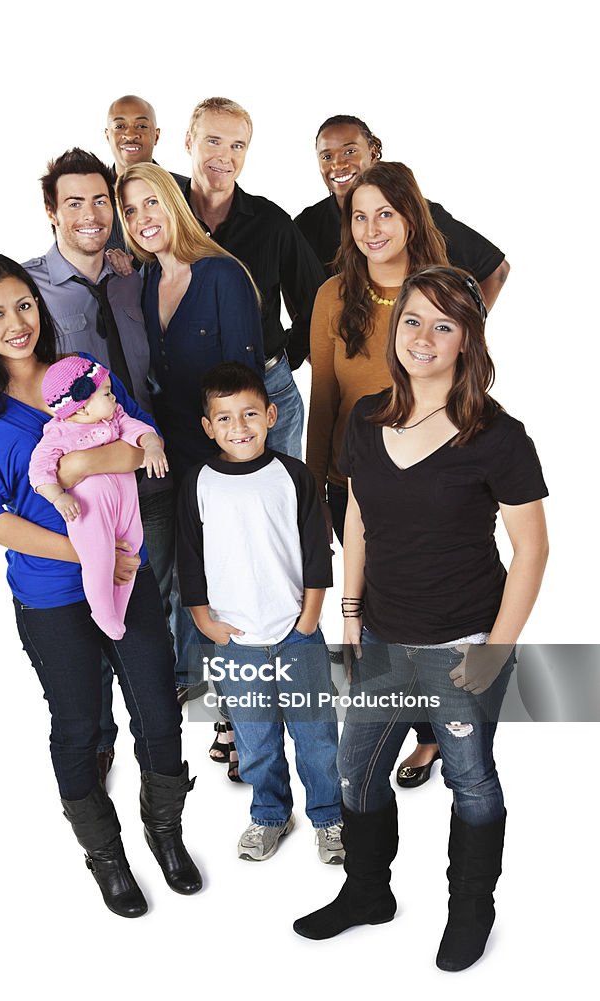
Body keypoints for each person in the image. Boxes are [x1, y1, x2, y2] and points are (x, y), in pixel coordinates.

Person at [293, 267, 549, 972]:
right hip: (380, 636)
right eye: (412, 320)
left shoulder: (497, 436)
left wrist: (497, 651)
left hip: (464, 640)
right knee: (355, 775)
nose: (424, 337)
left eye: (444, 324)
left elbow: (531, 549)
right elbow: (357, 515)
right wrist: (349, 612)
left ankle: (470, 910)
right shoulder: (368, 416)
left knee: (470, 781)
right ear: (394, 328)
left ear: (468, 338)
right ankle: (367, 893)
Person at [0, 255, 202, 918]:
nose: (15, 323)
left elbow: (139, 445)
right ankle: (106, 857)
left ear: (40, 306)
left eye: (23, 305)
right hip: (53, 595)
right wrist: (84, 557)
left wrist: (89, 459)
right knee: (79, 724)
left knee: (160, 710)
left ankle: (164, 830)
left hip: (126, 572)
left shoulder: (83, 376)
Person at [24, 147, 178, 770]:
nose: (90, 215)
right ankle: (97, 731)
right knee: (91, 594)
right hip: (82, 478)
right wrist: (73, 467)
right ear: (50, 212)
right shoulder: (30, 287)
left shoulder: (129, 272)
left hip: (147, 456)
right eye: (73, 203)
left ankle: (157, 730)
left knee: (153, 591)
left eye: (99, 201)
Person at [307, 161, 449, 779]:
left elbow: (465, 390)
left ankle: (435, 729)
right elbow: (324, 395)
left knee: (422, 607)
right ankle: (392, 714)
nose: (371, 228)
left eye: (384, 214)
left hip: (431, 481)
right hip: (351, 482)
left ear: (411, 216)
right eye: (358, 216)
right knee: (374, 604)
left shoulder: (445, 290)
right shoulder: (333, 295)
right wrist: (313, 481)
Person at [177, 362, 343, 863]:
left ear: (272, 415)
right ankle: (271, 813)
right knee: (255, 740)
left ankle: (329, 816)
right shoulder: (200, 482)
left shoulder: (292, 476)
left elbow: (317, 550)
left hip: (296, 633)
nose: (239, 427)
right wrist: (204, 621)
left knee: (315, 735)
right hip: (236, 641)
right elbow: (190, 556)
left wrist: (309, 618)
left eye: (250, 414)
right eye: (224, 418)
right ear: (208, 427)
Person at [116, 161, 264, 721]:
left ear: (174, 202)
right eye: (129, 210)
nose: (142, 218)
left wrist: (236, 469)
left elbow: (244, 385)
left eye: (151, 202)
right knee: (183, 580)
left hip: (221, 457)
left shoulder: (222, 275)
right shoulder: (146, 279)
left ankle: (237, 715)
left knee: (228, 579)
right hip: (167, 455)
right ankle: (199, 692)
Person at [179, 96, 326, 456]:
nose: (225, 156)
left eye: (237, 145)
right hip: (187, 393)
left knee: (281, 500)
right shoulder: (163, 218)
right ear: (188, 142)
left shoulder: (271, 223)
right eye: (213, 141)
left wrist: (284, 358)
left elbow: (319, 299)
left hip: (268, 386)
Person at [295, 114, 510, 309]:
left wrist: (464, 331)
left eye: (350, 151)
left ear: (372, 152)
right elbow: (294, 291)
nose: (339, 164)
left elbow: (496, 270)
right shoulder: (307, 225)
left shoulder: (418, 212)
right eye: (327, 156)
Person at [29, 356, 168, 640]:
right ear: (81, 406)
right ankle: (102, 611)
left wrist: (152, 445)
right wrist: (57, 497)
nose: (114, 396)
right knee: (99, 559)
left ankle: (119, 607)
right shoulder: (59, 432)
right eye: (106, 392)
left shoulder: (115, 416)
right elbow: (39, 470)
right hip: (88, 508)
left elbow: (139, 430)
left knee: (133, 546)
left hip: (124, 499)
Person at [103, 94, 187, 252]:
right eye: (120, 126)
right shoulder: (93, 199)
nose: (130, 134)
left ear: (156, 135)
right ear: (107, 135)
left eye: (141, 126)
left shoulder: (187, 192)